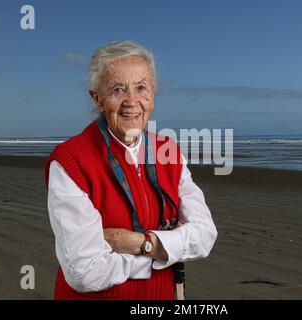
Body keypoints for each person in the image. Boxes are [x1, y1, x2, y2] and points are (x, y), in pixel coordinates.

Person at [44, 40, 218, 300]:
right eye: (117, 89)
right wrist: (165, 250)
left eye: (141, 88)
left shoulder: (168, 150)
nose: (131, 102)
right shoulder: (70, 161)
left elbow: (205, 237)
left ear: (153, 95)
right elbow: (85, 272)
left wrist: (138, 243)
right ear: (97, 99)